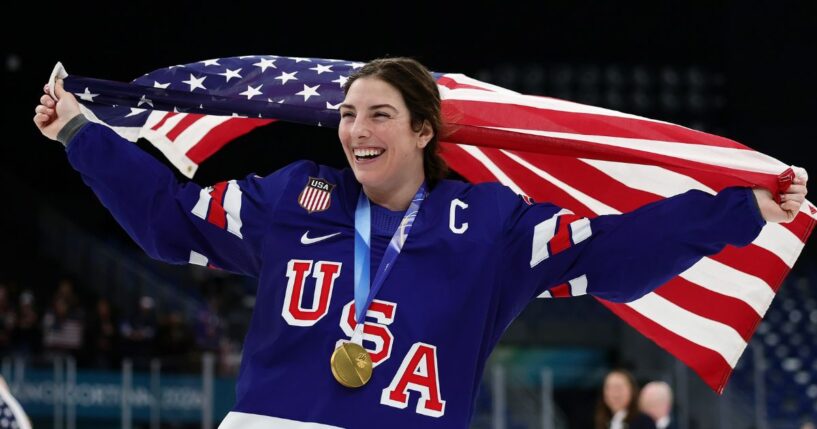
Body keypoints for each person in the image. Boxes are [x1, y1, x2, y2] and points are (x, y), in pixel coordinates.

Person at [33, 57, 808, 429]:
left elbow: (613, 251)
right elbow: (168, 220)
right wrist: (77, 132)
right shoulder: (288, 195)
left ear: (422, 131)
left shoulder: (491, 226)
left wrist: (738, 214)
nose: (354, 130)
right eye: (345, 114)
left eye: (376, 115)